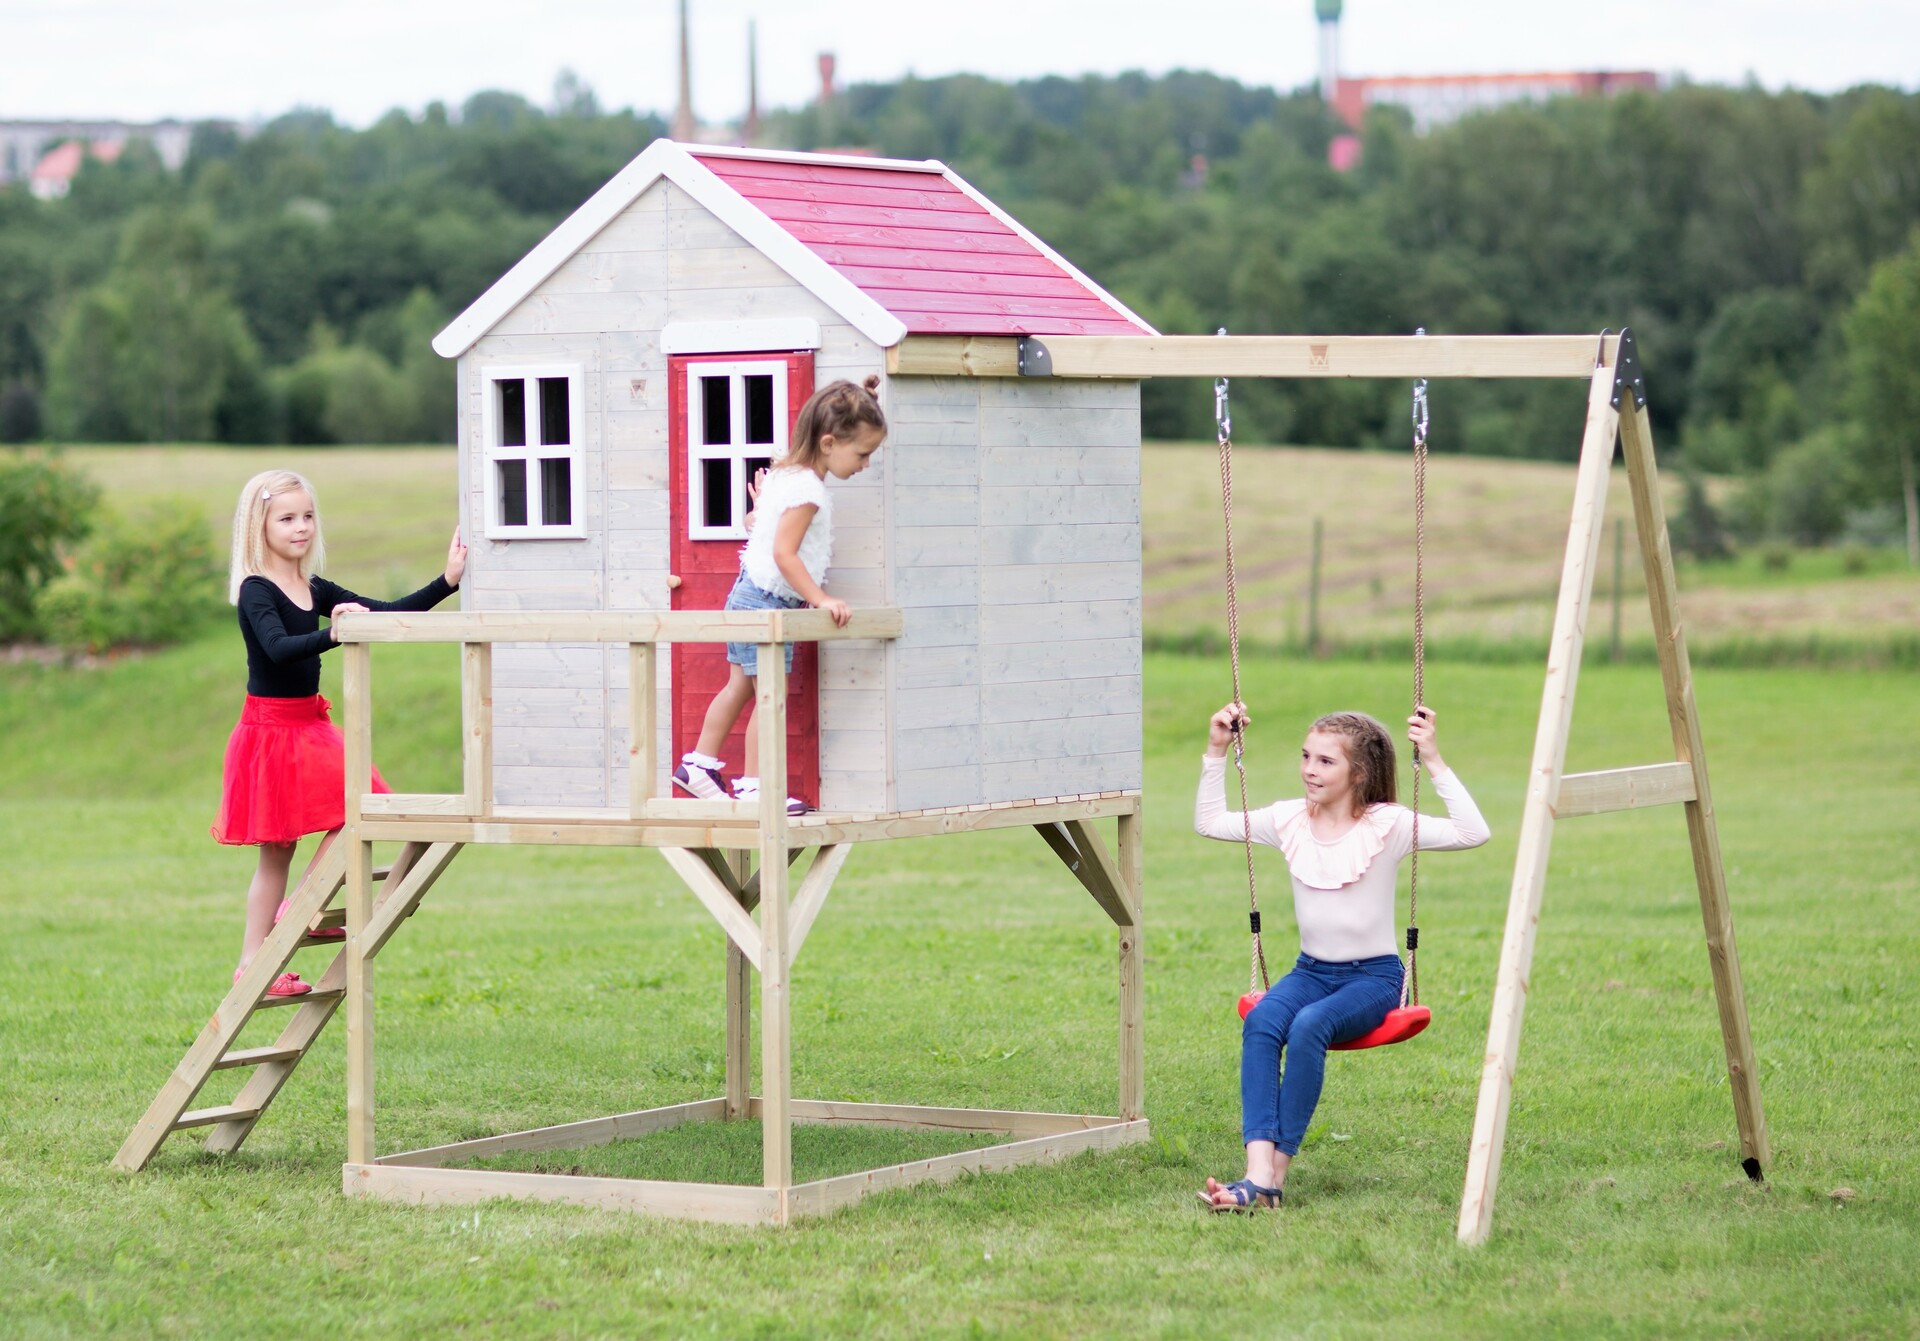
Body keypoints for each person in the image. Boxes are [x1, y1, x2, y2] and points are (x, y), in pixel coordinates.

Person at [1194, 702, 1490, 1210]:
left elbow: (1473, 832)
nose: (1310, 768)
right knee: (1263, 1021)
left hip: (1372, 980)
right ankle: (1256, 1172)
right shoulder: (1288, 819)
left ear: (1360, 773)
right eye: (1306, 756)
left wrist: (1434, 759)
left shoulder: (1389, 825)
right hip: (1310, 971)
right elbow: (1210, 822)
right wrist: (1217, 750)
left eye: (1326, 761)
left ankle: (1271, 1181)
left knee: (1310, 1026)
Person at [212, 469, 465, 997]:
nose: (300, 527)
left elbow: (388, 615)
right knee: (276, 851)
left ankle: (305, 907)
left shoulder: (313, 586)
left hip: (310, 724)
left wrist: (447, 582)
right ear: (259, 526)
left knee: (363, 802)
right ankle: (252, 961)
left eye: (307, 516)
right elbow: (279, 647)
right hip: (271, 732)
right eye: (286, 518)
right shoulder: (256, 590)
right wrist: (334, 630)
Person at [672, 376, 886, 816]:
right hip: (768, 602)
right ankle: (754, 786)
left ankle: (699, 766)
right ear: (829, 442)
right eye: (862, 453)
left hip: (747, 594)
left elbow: (759, 525)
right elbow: (785, 554)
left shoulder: (787, 474)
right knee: (770, 694)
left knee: (740, 687)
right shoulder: (806, 491)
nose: (865, 464)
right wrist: (821, 598)